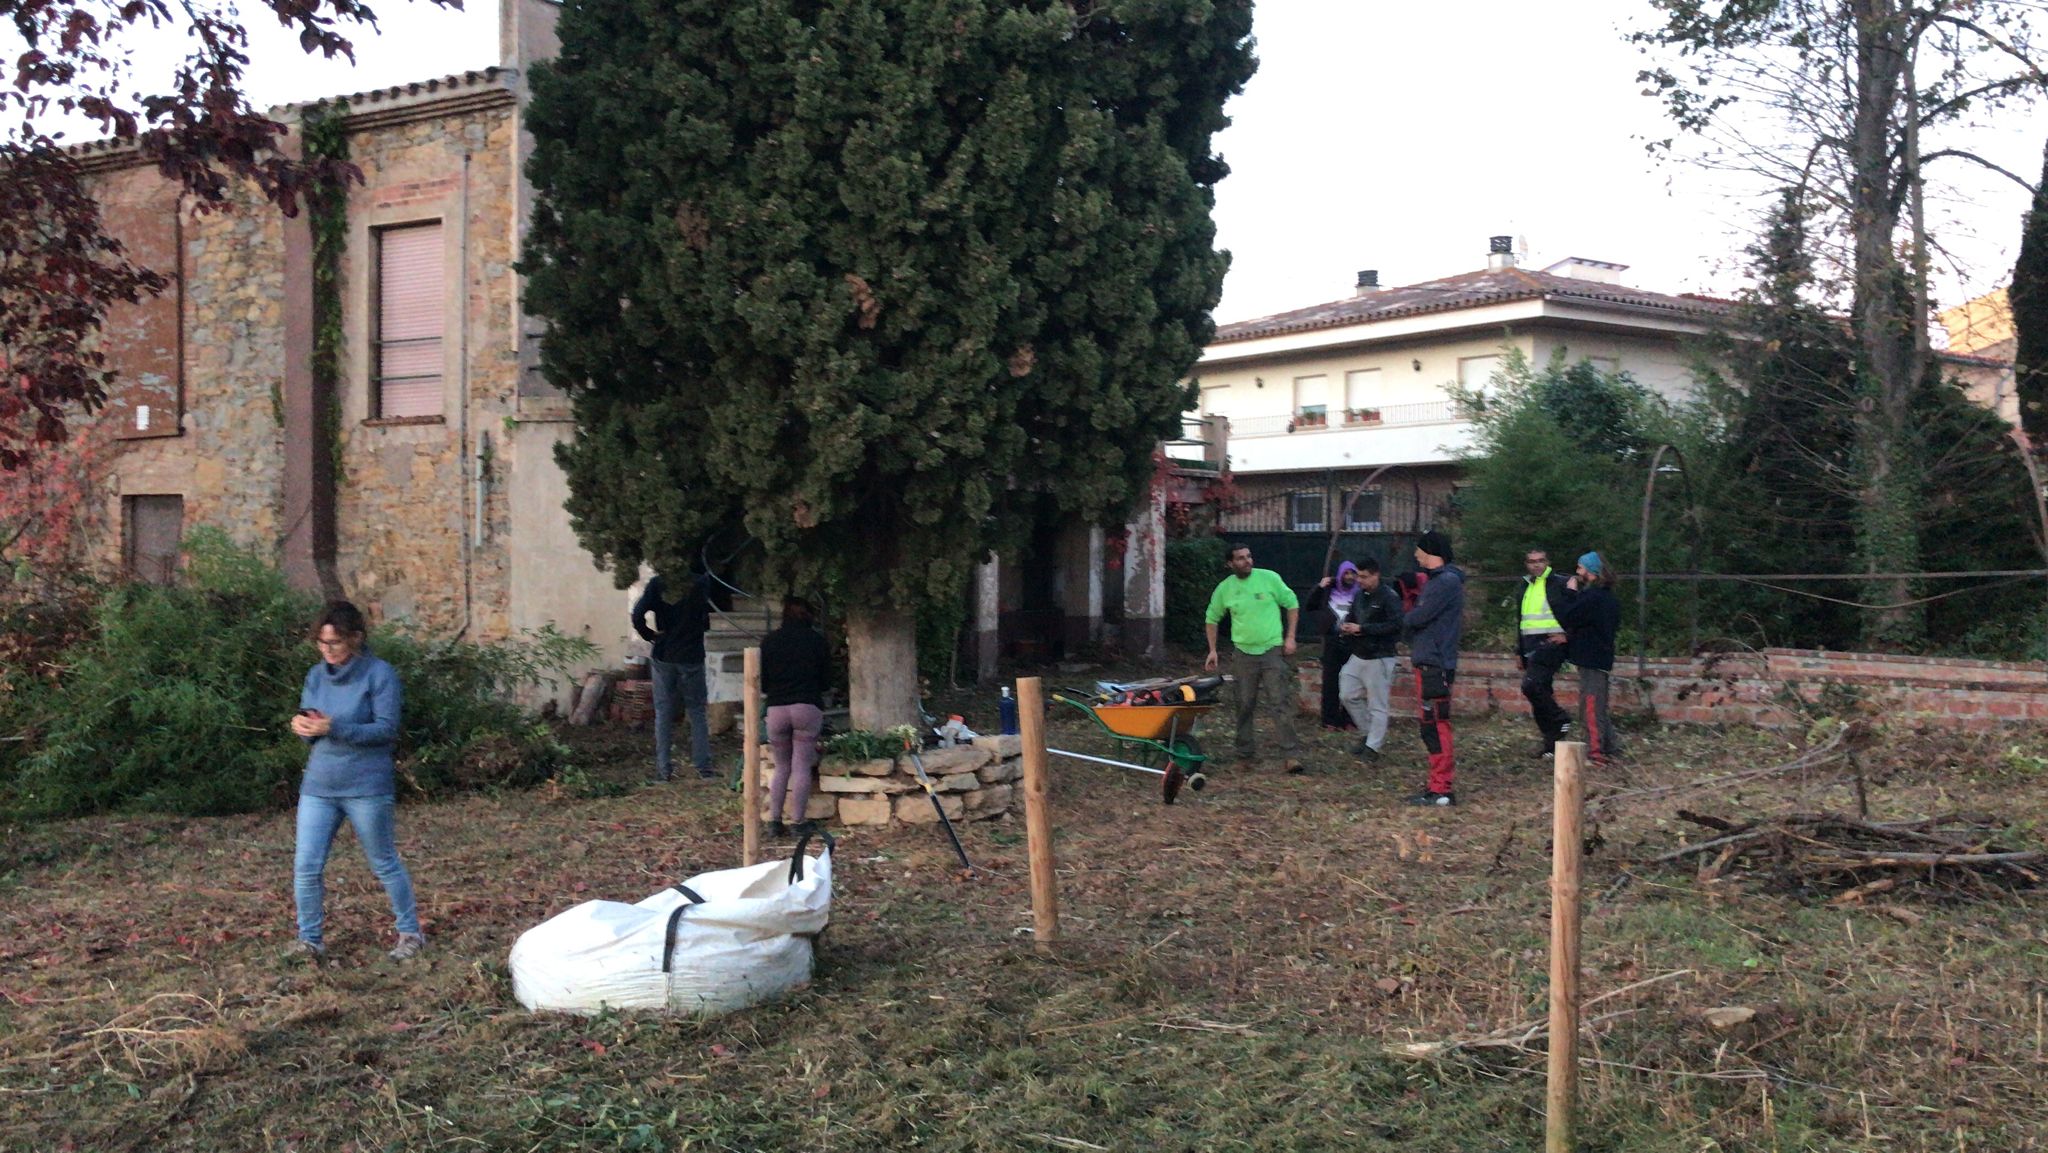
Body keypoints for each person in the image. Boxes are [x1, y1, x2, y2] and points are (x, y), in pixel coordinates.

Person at [288, 601, 424, 961]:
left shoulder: (379, 674)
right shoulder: (315, 676)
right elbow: (311, 725)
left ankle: (410, 933)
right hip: (319, 786)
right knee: (306, 866)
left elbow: (385, 730)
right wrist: (303, 727)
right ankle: (309, 940)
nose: (327, 649)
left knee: (383, 862)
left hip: (366, 786)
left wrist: (334, 727)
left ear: (356, 638)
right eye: (321, 642)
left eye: (335, 642)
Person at [1202, 543, 1303, 774]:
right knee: (1244, 704)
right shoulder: (1225, 589)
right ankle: (1245, 754)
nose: (1247, 561)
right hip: (1243, 654)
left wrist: (1290, 637)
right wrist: (1212, 649)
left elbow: (1292, 604)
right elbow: (1211, 618)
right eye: (1240, 558)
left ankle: (1291, 755)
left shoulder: (1270, 579)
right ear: (1230, 563)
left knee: (1279, 702)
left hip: (1272, 651)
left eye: (1249, 556)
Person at [632, 571, 718, 781]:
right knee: (697, 710)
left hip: (665, 653)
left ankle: (664, 770)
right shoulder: (701, 582)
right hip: (692, 655)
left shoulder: (658, 583)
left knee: (663, 712)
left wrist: (649, 635)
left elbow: (637, 615)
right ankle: (703, 767)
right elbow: (708, 615)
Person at [761, 596, 831, 838]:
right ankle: (798, 822)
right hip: (806, 707)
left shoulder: (769, 641)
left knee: (781, 766)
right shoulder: (817, 641)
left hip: (776, 709)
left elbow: (764, 682)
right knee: (801, 765)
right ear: (809, 615)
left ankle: (774, 821)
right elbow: (826, 682)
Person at [1403, 531, 1465, 806]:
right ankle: (1436, 785)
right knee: (1430, 725)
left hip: (1435, 664)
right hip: (1430, 661)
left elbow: (1418, 617)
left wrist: (1406, 612)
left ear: (1430, 551)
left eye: (1419, 551)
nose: (1416, 556)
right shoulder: (1438, 581)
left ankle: (1442, 789)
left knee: (1436, 724)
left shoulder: (1445, 582)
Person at [1555, 551, 1622, 764]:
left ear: (1591, 571)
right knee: (1598, 706)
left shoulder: (1593, 597)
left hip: (1592, 659)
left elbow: (1568, 615)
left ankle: (1596, 753)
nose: (1577, 572)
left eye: (1580, 568)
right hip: (1599, 658)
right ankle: (1609, 747)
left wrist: (1570, 593)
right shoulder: (1606, 597)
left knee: (1591, 707)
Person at [1336, 558, 1403, 762]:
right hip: (1359, 653)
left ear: (1376, 575)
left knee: (1377, 705)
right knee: (1347, 694)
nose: (1359, 580)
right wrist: (1346, 626)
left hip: (1380, 656)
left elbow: (1396, 625)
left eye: (1364, 577)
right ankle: (1368, 733)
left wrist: (1363, 629)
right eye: (1358, 576)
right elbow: (1353, 616)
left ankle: (1373, 747)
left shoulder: (1389, 597)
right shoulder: (1359, 595)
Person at [1517, 548, 1573, 758]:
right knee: (1540, 692)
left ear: (1547, 562)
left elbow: (1577, 611)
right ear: (1527, 564)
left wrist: (1568, 635)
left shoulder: (1559, 583)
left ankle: (1560, 719)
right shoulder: (1525, 585)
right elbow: (1520, 619)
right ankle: (1551, 744)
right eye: (1532, 561)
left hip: (1551, 644)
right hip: (1530, 644)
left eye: (1540, 560)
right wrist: (1519, 650)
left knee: (1530, 685)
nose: (1536, 565)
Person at [1303, 560, 1362, 729]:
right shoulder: (1328, 592)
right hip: (1332, 641)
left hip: (1353, 642)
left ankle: (1349, 719)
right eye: (1346, 573)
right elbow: (1310, 605)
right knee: (1330, 682)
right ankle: (1330, 720)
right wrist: (1319, 587)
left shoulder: (1359, 595)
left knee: (1352, 682)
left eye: (1353, 573)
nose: (1349, 577)